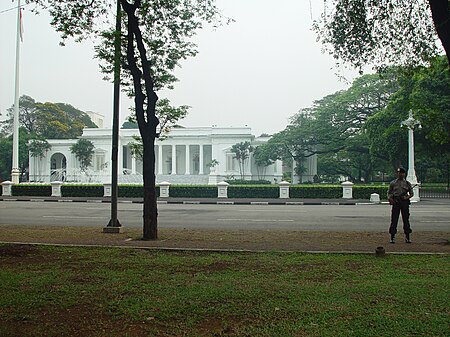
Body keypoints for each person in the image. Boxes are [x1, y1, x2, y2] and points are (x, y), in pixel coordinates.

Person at [387, 167, 414, 243]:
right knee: (394, 220)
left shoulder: (407, 183)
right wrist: (390, 199)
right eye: (398, 173)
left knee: (406, 220)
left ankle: (407, 237)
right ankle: (392, 237)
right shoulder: (393, 183)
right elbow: (389, 192)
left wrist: (406, 197)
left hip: (404, 202)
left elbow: (411, 194)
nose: (400, 174)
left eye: (401, 173)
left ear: (404, 174)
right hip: (396, 202)